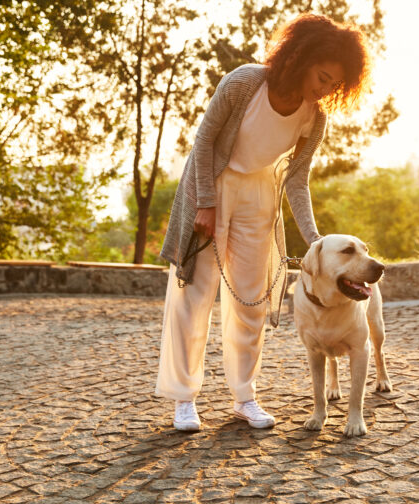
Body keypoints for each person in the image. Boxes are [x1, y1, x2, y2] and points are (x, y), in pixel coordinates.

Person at [155, 14, 372, 431]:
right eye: (322, 77)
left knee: (250, 299)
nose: (324, 89)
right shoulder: (243, 82)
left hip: (260, 198)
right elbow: (203, 141)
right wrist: (205, 202)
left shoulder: (314, 117)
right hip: (213, 183)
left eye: (333, 85)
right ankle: (185, 398)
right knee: (195, 294)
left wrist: (316, 243)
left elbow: (297, 181)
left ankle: (245, 396)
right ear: (301, 57)